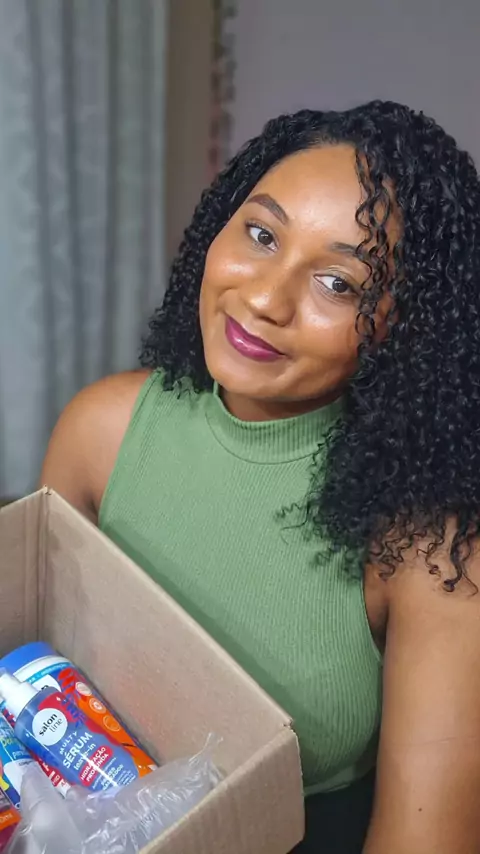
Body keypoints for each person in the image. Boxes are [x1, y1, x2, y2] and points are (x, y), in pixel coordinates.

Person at [40, 100, 480, 853]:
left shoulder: (430, 551)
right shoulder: (100, 431)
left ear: (405, 326)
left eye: (338, 283)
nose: (266, 299)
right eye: (262, 234)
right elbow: (35, 683)